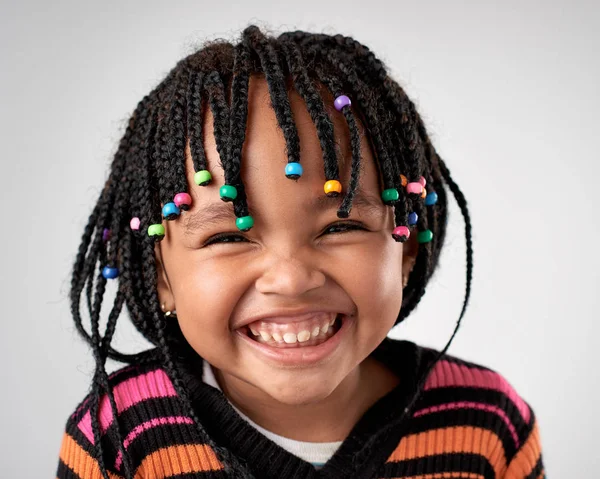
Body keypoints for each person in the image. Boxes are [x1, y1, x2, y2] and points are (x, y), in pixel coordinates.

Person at [56, 25, 544, 479]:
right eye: (228, 237)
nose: (290, 279)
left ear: (407, 246)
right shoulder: (120, 438)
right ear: (161, 274)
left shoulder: (488, 425)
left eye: (342, 226)